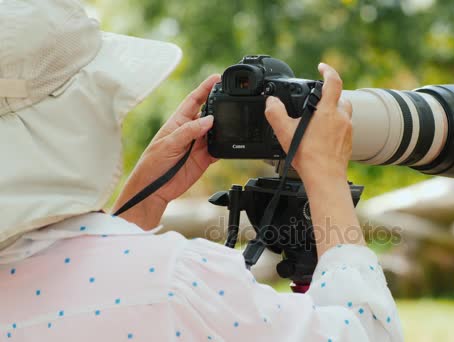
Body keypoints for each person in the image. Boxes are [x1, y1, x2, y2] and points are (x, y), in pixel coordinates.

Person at [0, 0, 404, 341]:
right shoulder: (173, 283)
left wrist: (142, 203)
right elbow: (366, 331)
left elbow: (85, 298)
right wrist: (327, 177)